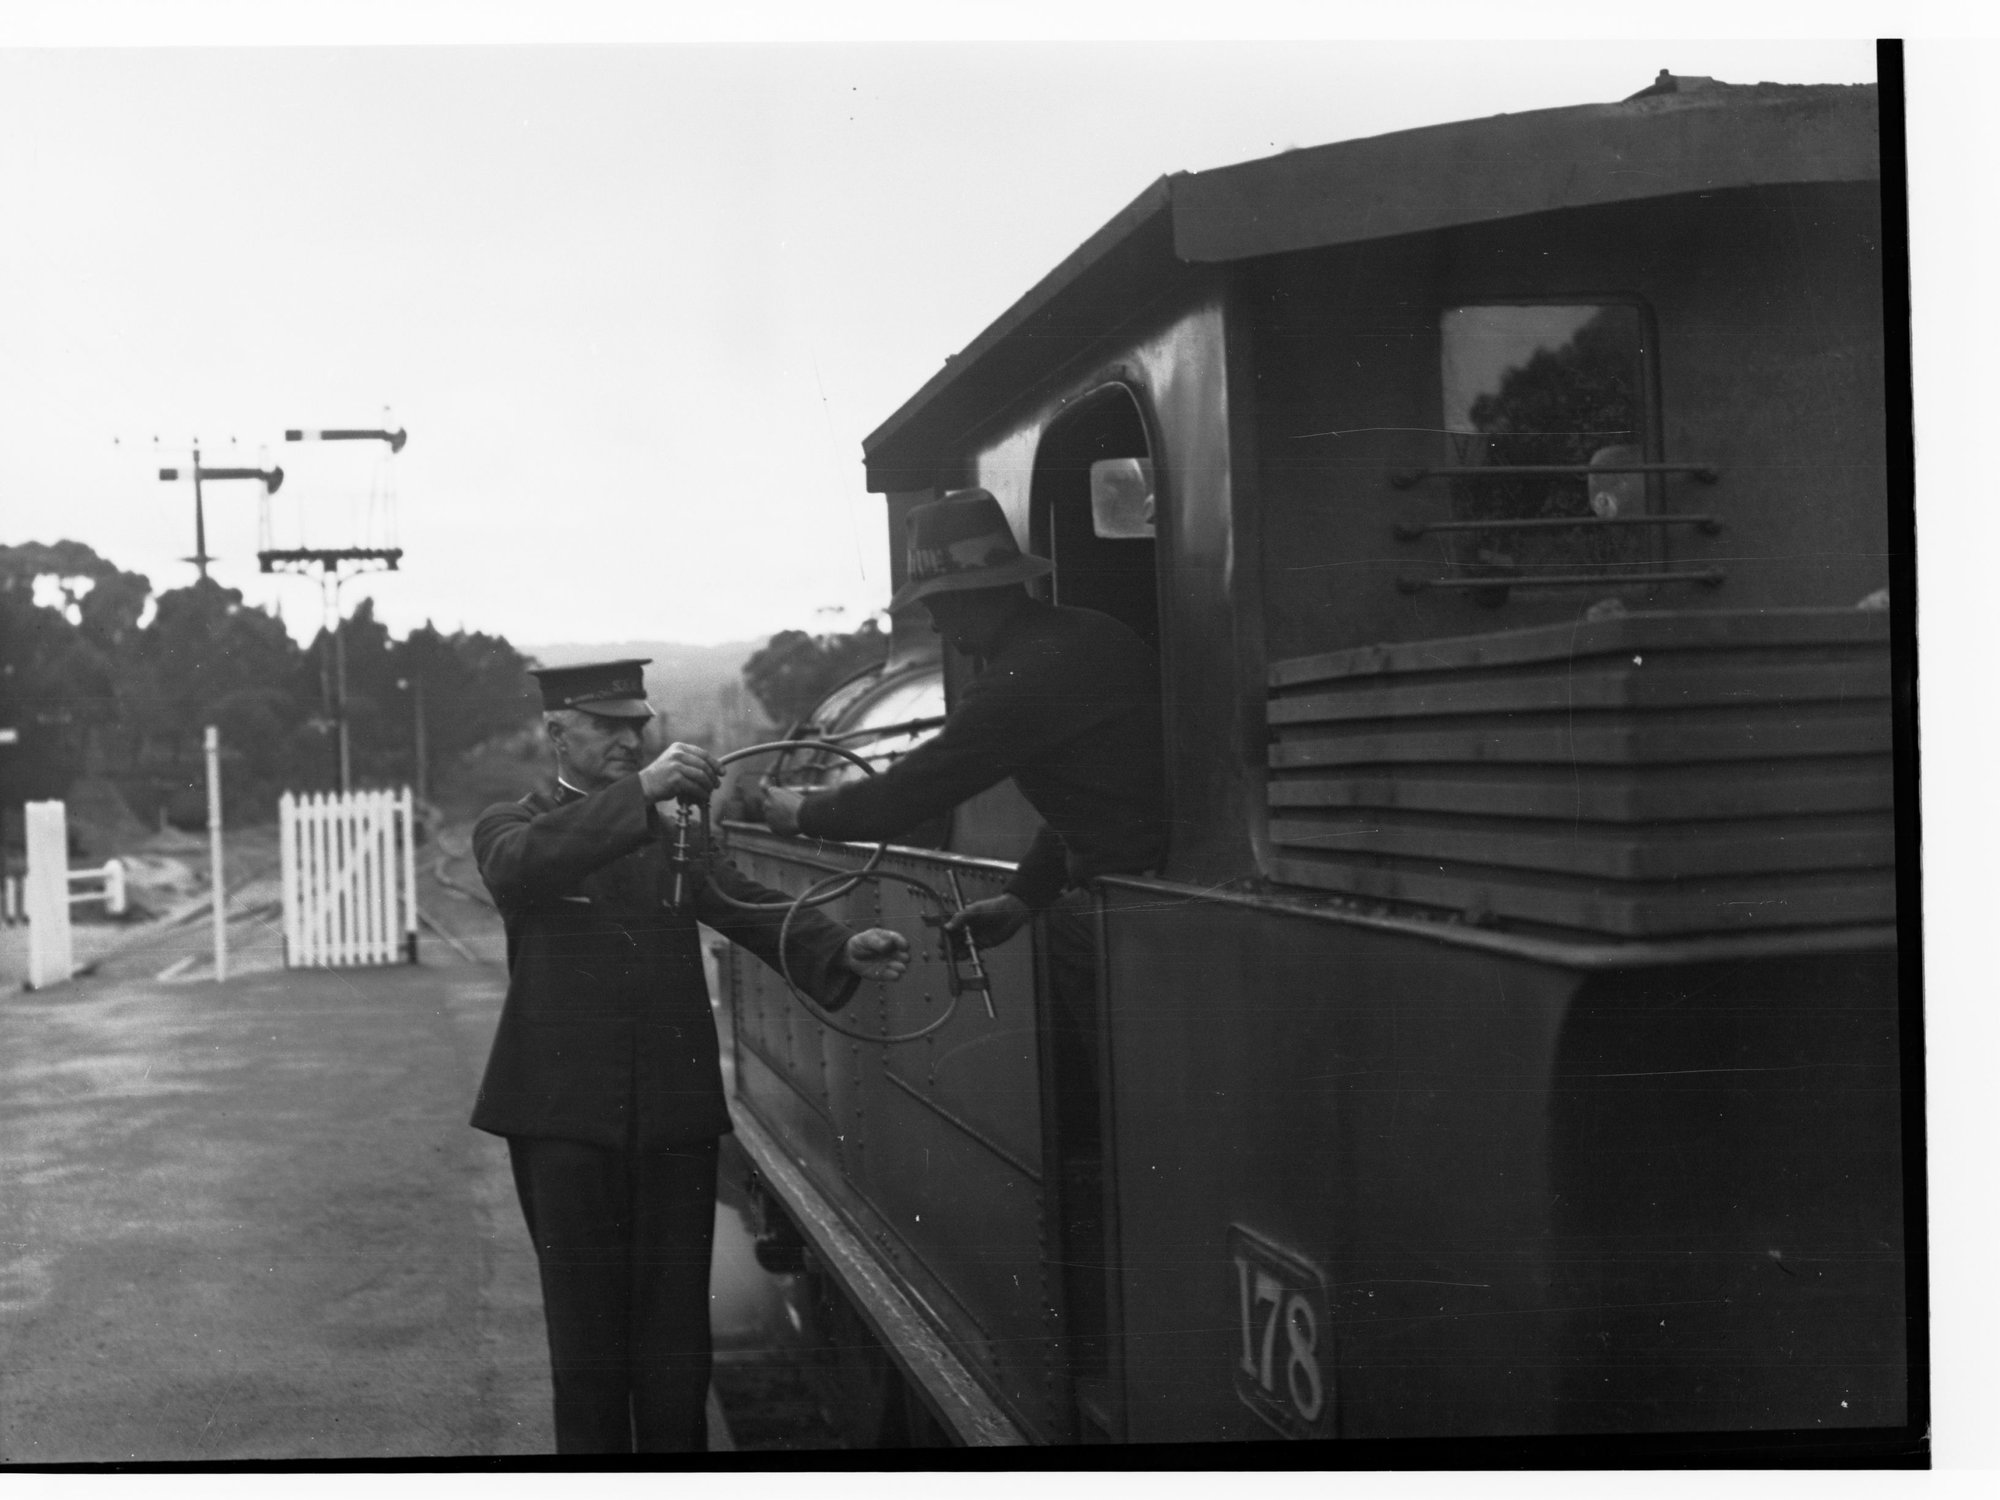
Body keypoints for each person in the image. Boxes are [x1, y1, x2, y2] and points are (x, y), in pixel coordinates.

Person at [471, 658, 910, 1455]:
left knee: (677, 1355)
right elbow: (520, 867)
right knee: (589, 1357)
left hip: (671, 1117)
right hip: (563, 1124)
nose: (628, 738)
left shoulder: (677, 832)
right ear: (557, 732)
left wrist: (841, 944)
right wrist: (639, 792)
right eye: (607, 725)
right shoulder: (513, 823)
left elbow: (742, 903)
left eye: (636, 725)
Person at [760, 487, 1168, 946]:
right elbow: (1093, 803)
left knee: (1067, 948)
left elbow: (917, 789)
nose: (934, 625)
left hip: (1136, 907)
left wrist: (806, 813)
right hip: (1152, 880)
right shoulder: (1082, 634)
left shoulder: (1020, 677)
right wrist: (1023, 896)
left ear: (966, 597)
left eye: (934, 605)